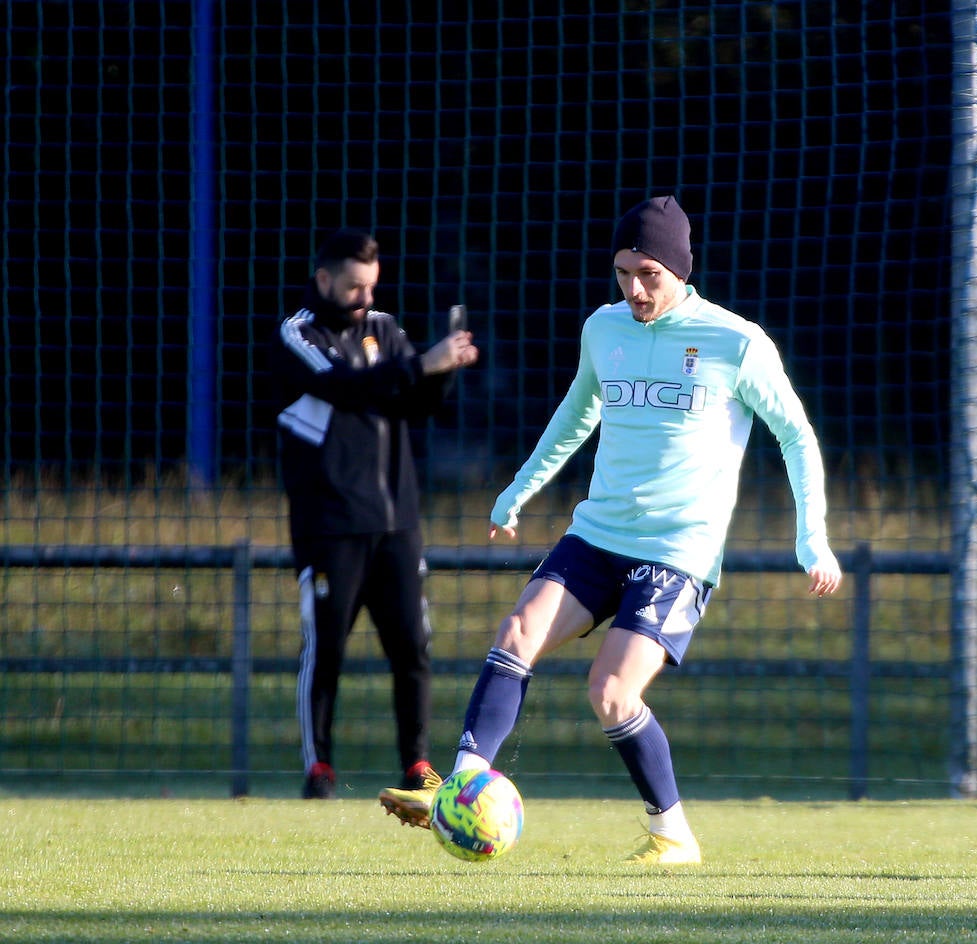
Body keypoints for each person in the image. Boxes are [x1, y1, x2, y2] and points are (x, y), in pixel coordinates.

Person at [378, 196, 842, 863]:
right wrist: (517, 491)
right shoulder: (605, 328)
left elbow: (796, 435)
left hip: (677, 553)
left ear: (681, 269)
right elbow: (576, 414)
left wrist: (811, 538)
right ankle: (464, 785)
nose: (635, 288)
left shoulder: (736, 342)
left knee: (612, 692)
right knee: (517, 632)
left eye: (649, 273)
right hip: (597, 535)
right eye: (624, 272)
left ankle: (671, 833)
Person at [274, 228, 479, 800]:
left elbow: (413, 402)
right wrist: (421, 366)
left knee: (412, 647)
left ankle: (416, 765)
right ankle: (319, 769)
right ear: (324, 281)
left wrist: (443, 368)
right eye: (353, 287)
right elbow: (345, 389)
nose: (365, 298)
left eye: (371, 286)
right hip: (330, 527)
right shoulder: (298, 334)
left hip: (398, 524)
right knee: (327, 649)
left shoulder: (384, 329)